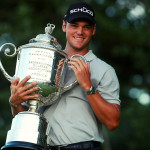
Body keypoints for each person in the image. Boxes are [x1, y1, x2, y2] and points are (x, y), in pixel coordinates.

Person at [9, 2, 121, 150]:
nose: (80, 32)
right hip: (42, 147)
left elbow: (112, 122)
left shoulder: (104, 70)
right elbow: (27, 116)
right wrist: (15, 102)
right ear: (64, 26)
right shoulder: (45, 61)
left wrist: (87, 85)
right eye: (74, 25)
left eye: (86, 27)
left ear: (93, 30)